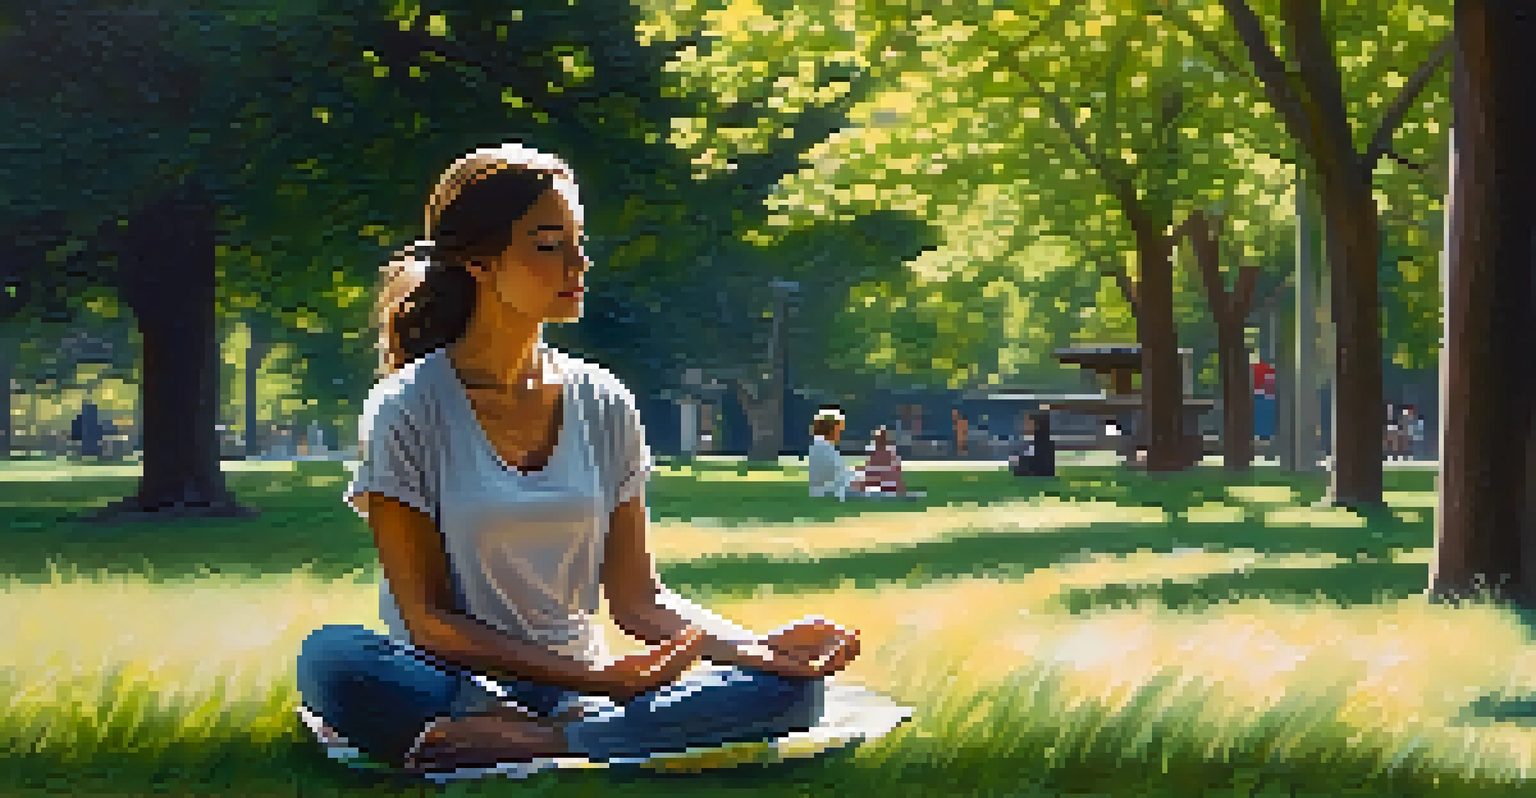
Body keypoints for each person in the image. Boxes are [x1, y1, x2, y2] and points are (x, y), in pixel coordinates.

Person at [295, 144, 860, 775]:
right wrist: (603, 681)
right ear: (479, 261)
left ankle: (543, 742)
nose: (578, 262)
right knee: (333, 658)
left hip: (579, 692)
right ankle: (546, 730)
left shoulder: (604, 399)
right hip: (452, 682)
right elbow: (428, 622)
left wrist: (759, 650)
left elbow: (640, 600)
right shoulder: (406, 406)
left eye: (578, 240)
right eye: (547, 243)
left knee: (795, 691)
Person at [808, 406, 854, 500]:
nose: (840, 433)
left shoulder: (819, 445)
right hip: (832, 492)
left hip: (826, 490)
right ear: (832, 428)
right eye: (839, 429)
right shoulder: (825, 449)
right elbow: (840, 476)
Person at [851, 426, 906, 497]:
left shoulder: (889, 452)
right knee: (856, 479)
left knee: (861, 480)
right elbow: (870, 467)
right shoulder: (874, 451)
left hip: (885, 481)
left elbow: (892, 471)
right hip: (878, 480)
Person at [1009, 412, 1055, 478]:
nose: (1024, 426)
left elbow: (1042, 471)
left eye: (1027, 423)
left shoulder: (1042, 446)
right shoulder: (1031, 443)